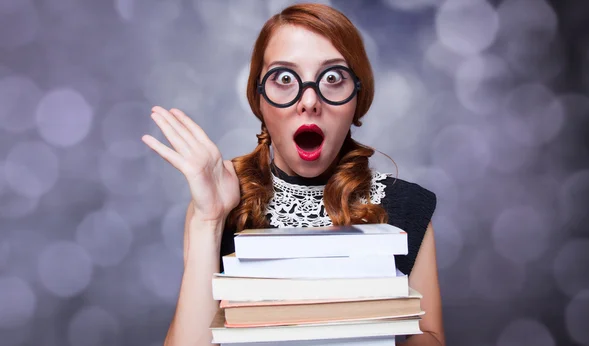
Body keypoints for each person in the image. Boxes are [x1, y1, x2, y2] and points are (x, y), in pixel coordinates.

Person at [141, 3, 445, 346]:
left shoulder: (407, 207)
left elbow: (430, 337)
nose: (310, 101)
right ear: (259, 101)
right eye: (284, 78)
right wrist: (208, 220)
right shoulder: (218, 205)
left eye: (333, 78)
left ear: (357, 98)